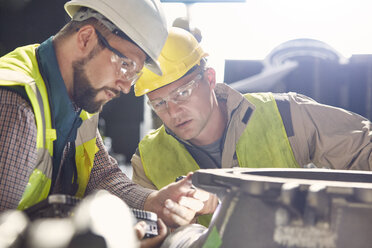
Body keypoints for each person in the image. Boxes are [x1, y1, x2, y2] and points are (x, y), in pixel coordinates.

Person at [0, 1, 210, 246]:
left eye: (135, 74)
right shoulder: (15, 105)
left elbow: (101, 176)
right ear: (86, 38)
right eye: (125, 65)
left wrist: (153, 201)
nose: (126, 86)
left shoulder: (79, 98)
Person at [130, 27, 372, 224]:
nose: (173, 112)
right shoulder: (148, 158)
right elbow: (147, 234)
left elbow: (363, 148)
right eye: (159, 103)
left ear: (210, 79)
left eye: (182, 93)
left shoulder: (285, 114)